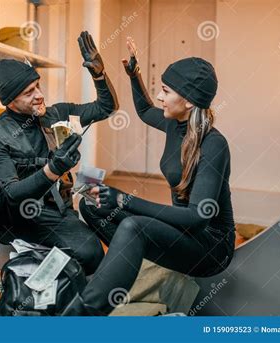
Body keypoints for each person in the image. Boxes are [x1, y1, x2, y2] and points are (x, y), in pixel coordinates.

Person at [63, 37, 236, 315]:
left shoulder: (214, 144)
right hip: (182, 233)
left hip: (210, 247)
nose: (159, 97)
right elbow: (144, 110)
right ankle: (121, 266)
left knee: (134, 226)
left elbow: (197, 217)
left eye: (166, 91)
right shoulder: (174, 124)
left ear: (189, 101)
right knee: (92, 205)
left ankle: (81, 315)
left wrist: (124, 200)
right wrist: (134, 74)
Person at [0, 31, 119, 316]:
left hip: (52, 212)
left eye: (38, 86)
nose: (40, 95)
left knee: (92, 254)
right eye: (28, 92)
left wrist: (99, 73)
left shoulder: (55, 114)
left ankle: (29, 278)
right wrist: (53, 169)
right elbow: (11, 193)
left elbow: (106, 107)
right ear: (10, 100)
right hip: (14, 216)